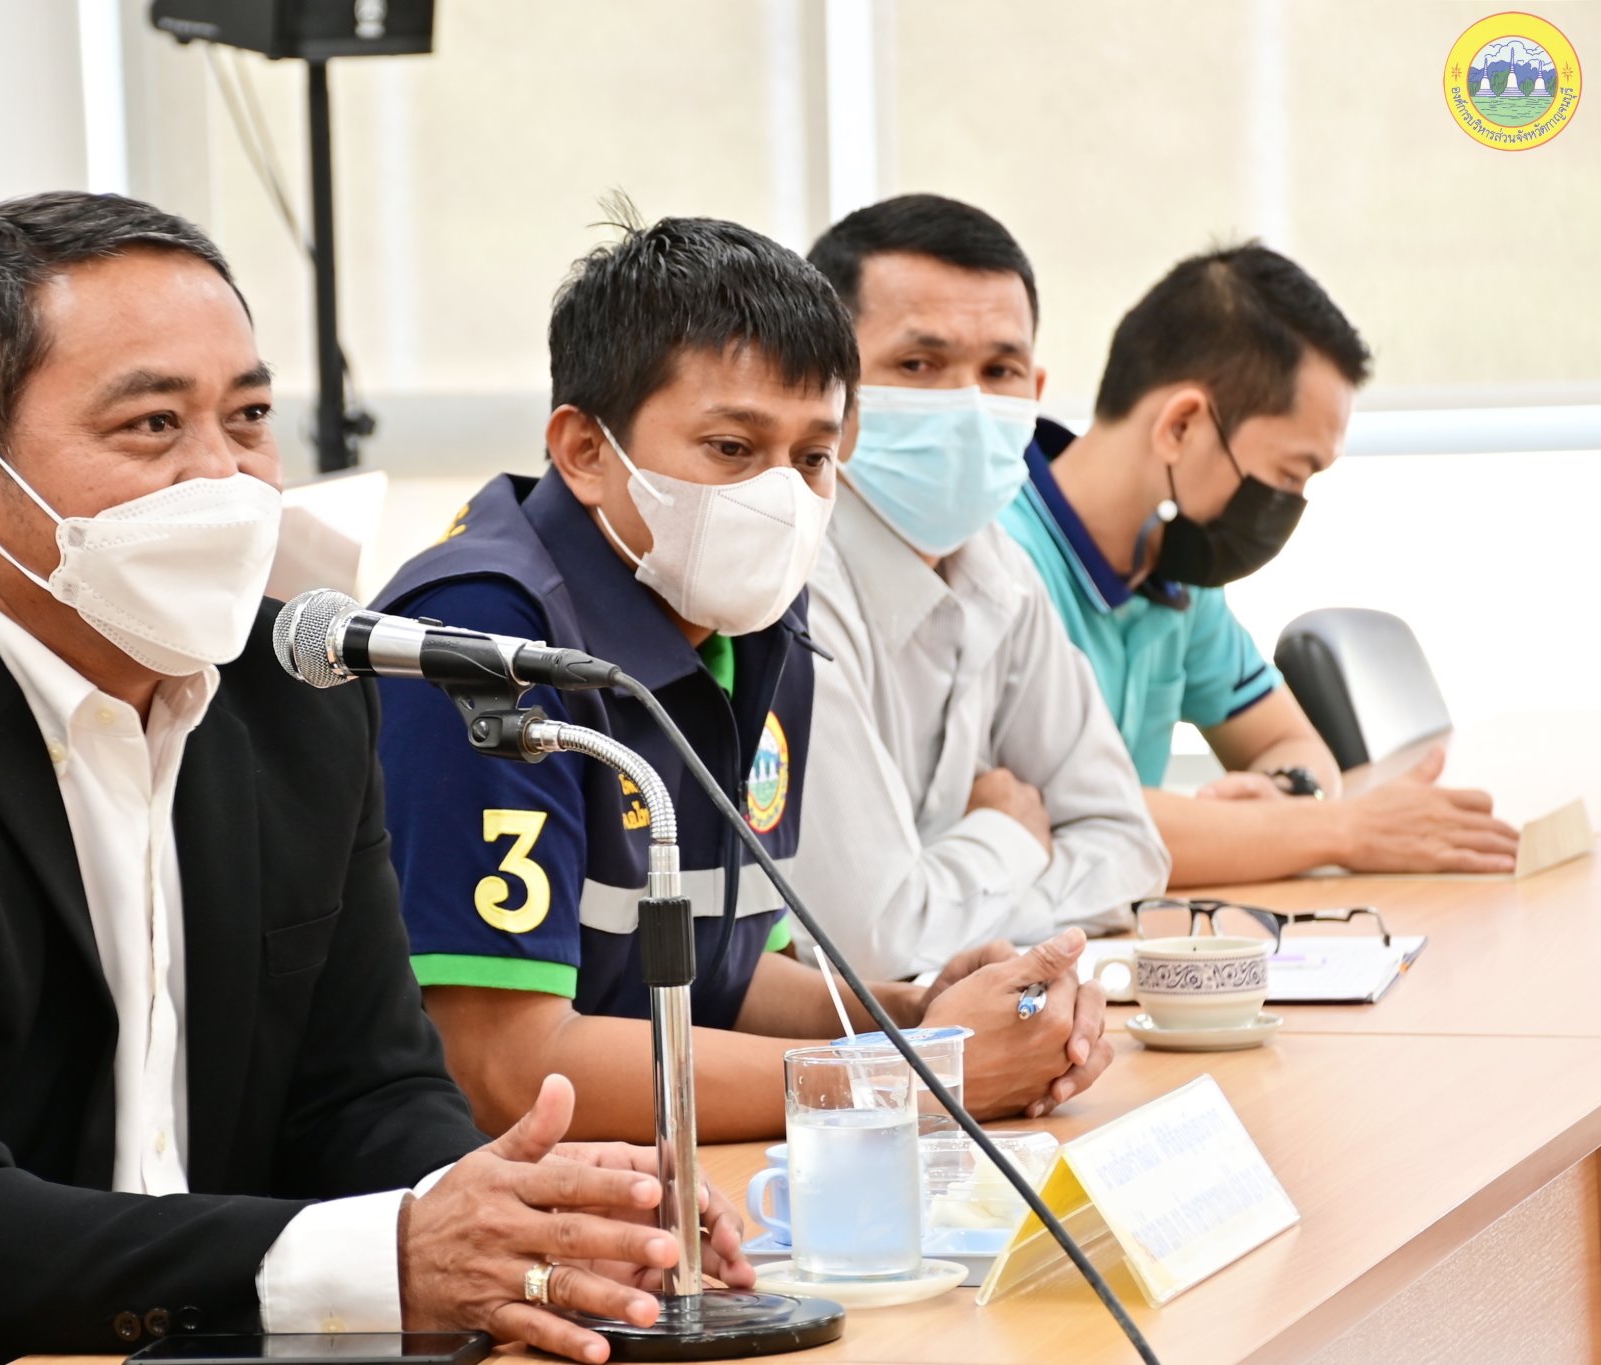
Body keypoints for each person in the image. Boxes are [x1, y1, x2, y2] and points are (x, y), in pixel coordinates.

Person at [0, 191, 752, 1365]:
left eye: (248, 417)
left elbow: (366, 1093)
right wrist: (386, 1258)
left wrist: (528, 1221)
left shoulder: (295, 698)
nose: (224, 477)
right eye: (151, 425)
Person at [372, 212, 1111, 1146]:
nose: (781, 498)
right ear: (585, 450)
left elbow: (722, 976)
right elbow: (505, 1068)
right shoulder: (485, 640)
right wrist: (912, 1083)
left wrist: (917, 1017)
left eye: (812, 457)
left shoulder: (753, 622)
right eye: (732, 448)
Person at [997, 244, 1520, 885]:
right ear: (1182, 426)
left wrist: (1285, 794)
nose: (1290, 503)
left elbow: (1293, 747)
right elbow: (1065, 823)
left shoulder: (1174, 570)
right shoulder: (994, 563)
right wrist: (1342, 830)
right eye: (1290, 474)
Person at [790, 194, 1170, 987]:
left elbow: (1129, 846)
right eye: (918, 365)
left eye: (999, 372)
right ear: (829, 390)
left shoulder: (999, 568)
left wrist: (947, 897)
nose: (968, 405)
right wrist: (1013, 832)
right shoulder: (791, 586)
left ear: (1036, 389)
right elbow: (866, 948)